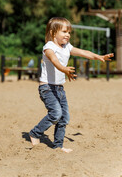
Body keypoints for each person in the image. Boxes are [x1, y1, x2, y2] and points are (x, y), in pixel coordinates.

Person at [29, 17, 114, 153]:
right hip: (47, 88)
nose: (67, 34)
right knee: (56, 114)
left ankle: (58, 146)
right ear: (52, 33)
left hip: (59, 88)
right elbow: (54, 60)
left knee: (64, 118)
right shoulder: (49, 47)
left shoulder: (67, 47)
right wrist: (64, 69)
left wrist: (99, 57)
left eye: (69, 32)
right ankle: (35, 133)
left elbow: (83, 52)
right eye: (64, 31)